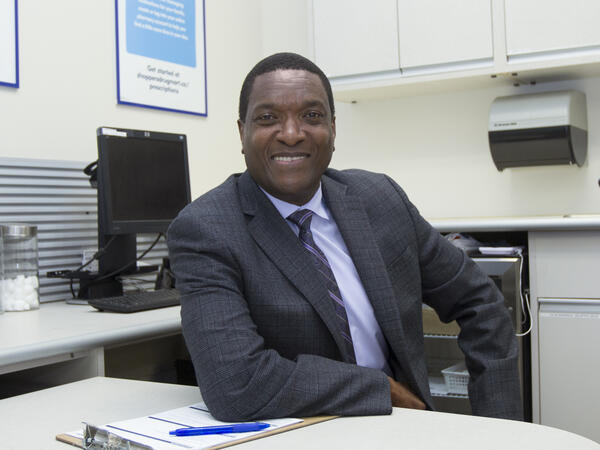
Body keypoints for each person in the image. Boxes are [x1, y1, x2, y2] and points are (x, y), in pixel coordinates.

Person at [167, 52, 523, 422]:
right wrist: (381, 388)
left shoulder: (381, 199)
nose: (291, 134)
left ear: (333, 130)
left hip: (408, 432)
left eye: (312, 116)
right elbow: (236, 383)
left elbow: (480, 301)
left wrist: (499, 428)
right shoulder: (206, 229)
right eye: (268, 117)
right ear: (242, 133)